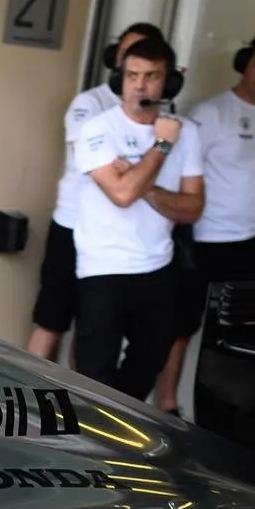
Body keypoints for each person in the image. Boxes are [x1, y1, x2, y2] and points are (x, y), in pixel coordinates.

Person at [153, 30, 255, 414]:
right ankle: (166, 405)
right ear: (245, 63)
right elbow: (180, 172)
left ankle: (224, 412)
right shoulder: (210, 113)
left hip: (254, 239)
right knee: (181, 327)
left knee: (240, 334)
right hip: (205, 238)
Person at [71, 36, 205, 402]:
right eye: (132, 76)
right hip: (103, 266)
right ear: (120, 79)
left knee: (151, 359)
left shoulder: (187, 132)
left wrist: (142, 183)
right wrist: (160, 148)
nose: (139, 86)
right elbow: (122, 196)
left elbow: (193, 208)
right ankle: (90, 431)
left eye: (151, 76)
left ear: (169, 82)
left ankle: (118, 426)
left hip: (157, 265)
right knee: (94, 374)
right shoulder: (98, 129)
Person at [27, 22, 166, 362]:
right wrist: (136, 173)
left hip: (121, 241)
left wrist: (134, 174)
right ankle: (22, 394)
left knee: (93, 333)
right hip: (73, 224)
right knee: (52, 320)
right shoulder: (89, 103)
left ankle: (77, 396)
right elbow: (95, 164)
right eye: (128, 55)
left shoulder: (163, 117)